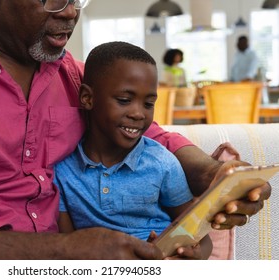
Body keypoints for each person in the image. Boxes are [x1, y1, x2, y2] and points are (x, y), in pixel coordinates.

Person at [0, 1, 271, 260]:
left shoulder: (69, 71)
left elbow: (150, 133)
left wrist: (212, 175)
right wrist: (62, 251)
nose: (70, 12)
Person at [54, 41, 212, 259]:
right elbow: (67, 248)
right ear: (87, 98)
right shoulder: (62, 171)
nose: (138, 114)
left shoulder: (161, 163)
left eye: (148, 104)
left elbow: (200, 237)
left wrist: (194, 255)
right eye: (124, 100)